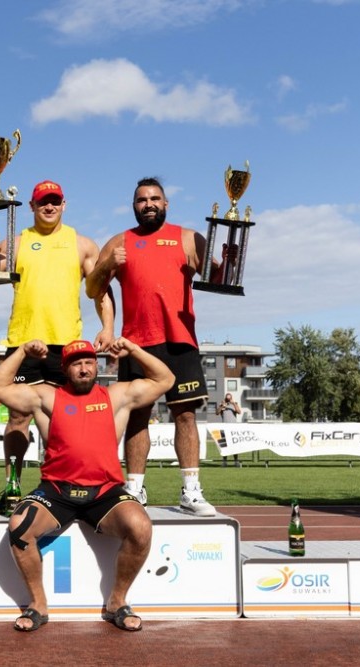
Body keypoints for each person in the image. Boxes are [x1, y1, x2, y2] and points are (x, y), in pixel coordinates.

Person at [0, 338, 174, 632]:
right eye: (76, 364)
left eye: (88, 363)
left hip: (104, 492)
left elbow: (166, 380)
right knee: (20, 526)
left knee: (140, 527)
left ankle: (117, 601)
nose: (84, 369)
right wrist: (21, 351)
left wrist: (134, 351)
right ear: (66, 370)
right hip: (57, 490)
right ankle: (38, 604)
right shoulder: (48, 397)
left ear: (97, 366)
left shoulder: (117, 396)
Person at [87, 177, 227, 517]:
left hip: (180, 341)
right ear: (134, 206)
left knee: (186, 416)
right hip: (136, 344)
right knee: (137, 417)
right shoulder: (119, 241)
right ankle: (134, 489)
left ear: (166, 204)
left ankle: (191, 491)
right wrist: (107, 267)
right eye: (141, 200)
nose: (148, 204)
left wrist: (227, 262)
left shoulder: (189, 238)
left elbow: (217, 279)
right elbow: (93, 288)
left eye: (154, 199)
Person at [0, 180, 114, 511]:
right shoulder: (17, 242)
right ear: (32, 206)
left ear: (64, 205)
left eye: (55, 201)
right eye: (43, 202)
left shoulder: (82, 244)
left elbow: (99, 289)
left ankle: (63, 485)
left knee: (65, 421)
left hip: (66, 347)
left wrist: (108, 327)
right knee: (18, 417)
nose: (49, 207)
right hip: (24, 342)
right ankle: (12, 486)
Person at [216, 393, 242, 467]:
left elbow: (239, 412)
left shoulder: (234, 404)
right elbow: (217, 413)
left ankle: (236, 461)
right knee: (224, 446)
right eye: (227, 398)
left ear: (231, 398)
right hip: (224, 428)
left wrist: (233, 403)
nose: (228, 400)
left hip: (233, 429)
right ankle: (224, 462)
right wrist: (221, 406)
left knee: (234, 445)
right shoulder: (222, 404)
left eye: (229, 398)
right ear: (225, 398)